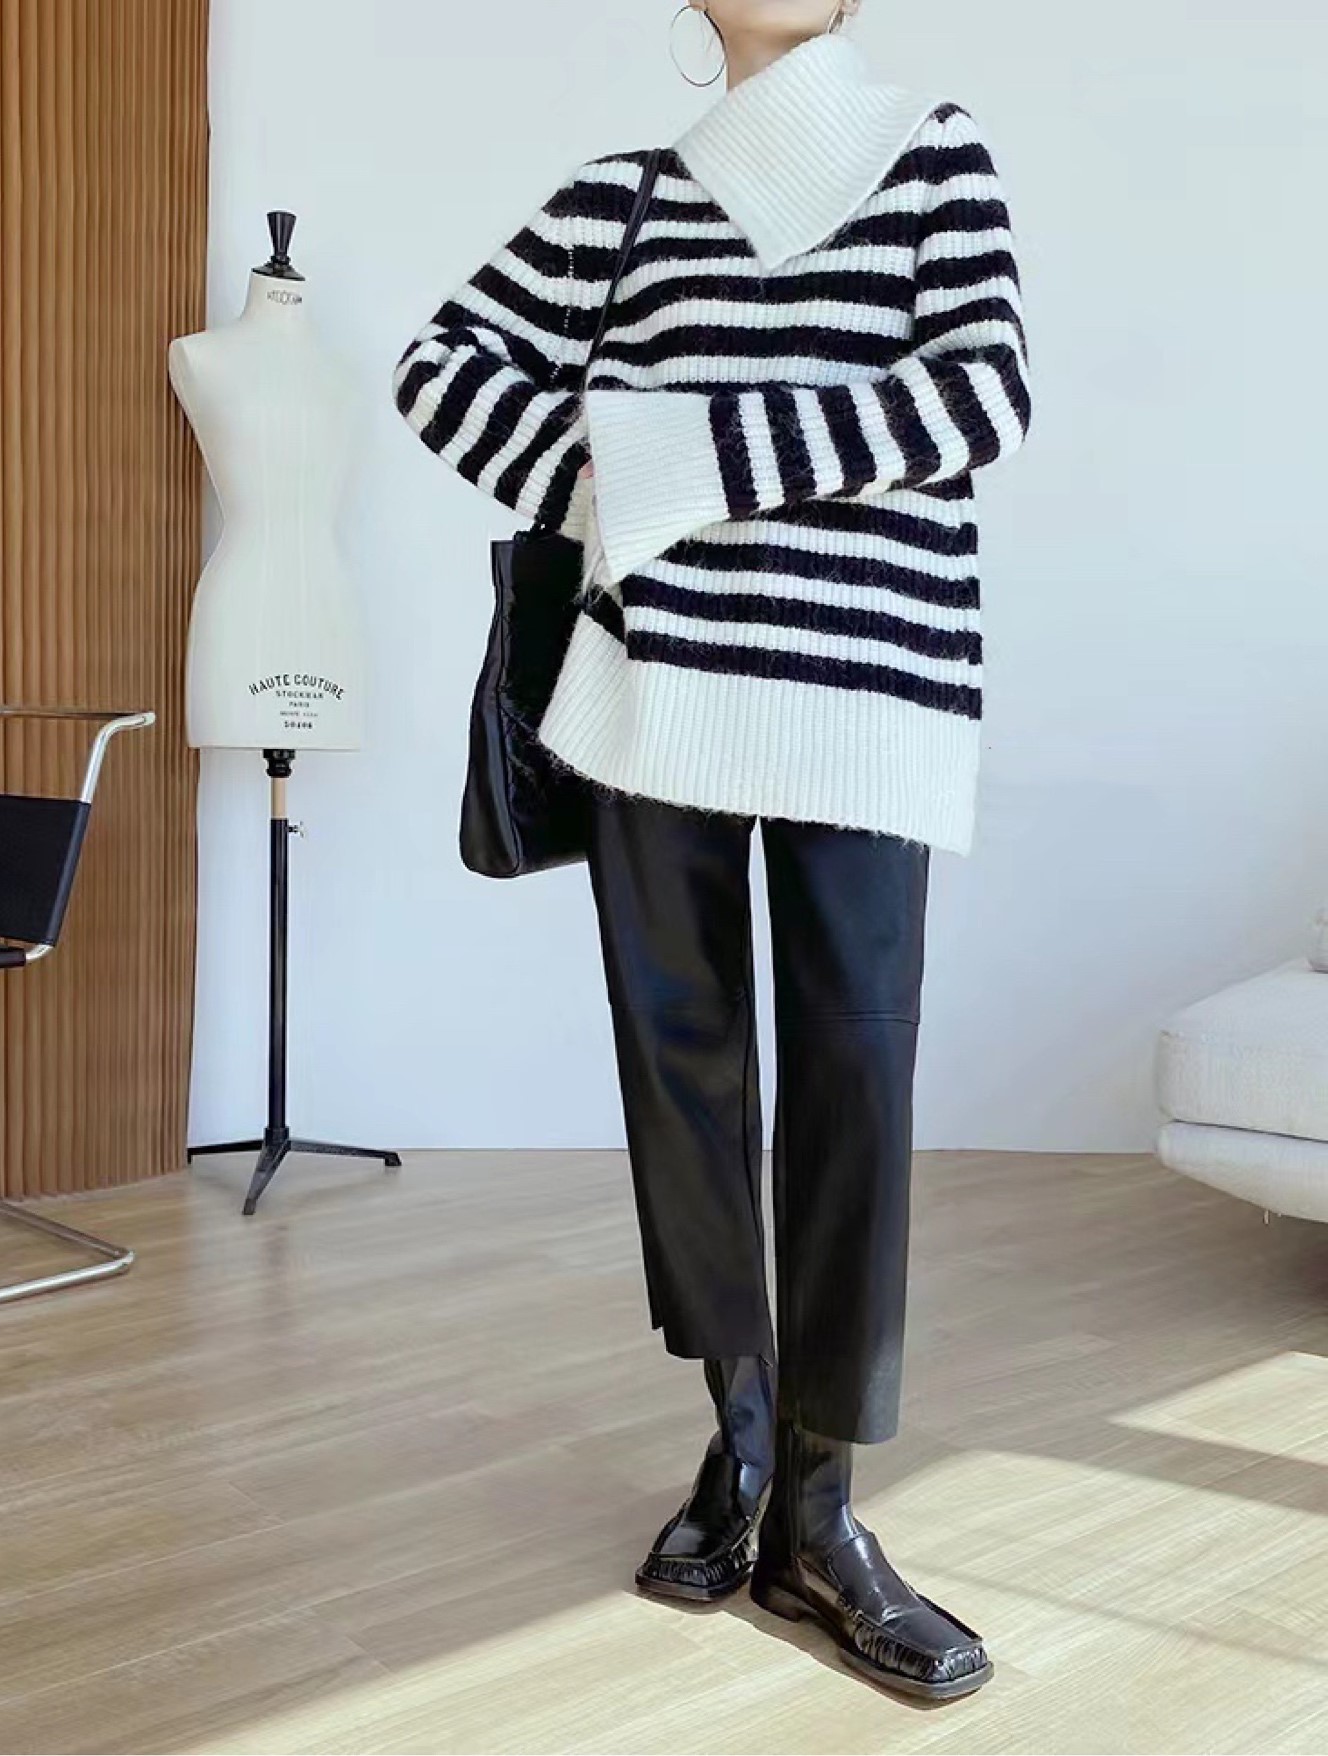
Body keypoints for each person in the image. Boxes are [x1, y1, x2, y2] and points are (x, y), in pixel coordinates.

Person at [393, 0, 1031, 1704]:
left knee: (853, 1081)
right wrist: (610, 495)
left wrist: (681, 455)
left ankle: (821, 1512)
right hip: (653, 701)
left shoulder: (930, 154)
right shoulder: (625, 197)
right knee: (682, 1079)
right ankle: (739, 1439)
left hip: (867, 693)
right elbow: (438, 371)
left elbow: (977, 395)